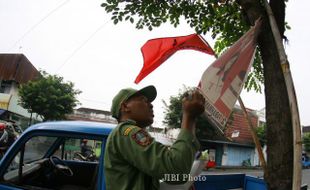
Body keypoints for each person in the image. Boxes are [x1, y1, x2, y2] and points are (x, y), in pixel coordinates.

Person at [104, 85, 205, 190]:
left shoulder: (123, 134)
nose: (151, 105)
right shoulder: (127, 132)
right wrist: (189, 116)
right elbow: (175, 169)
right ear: (125, 107)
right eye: (143, 100)